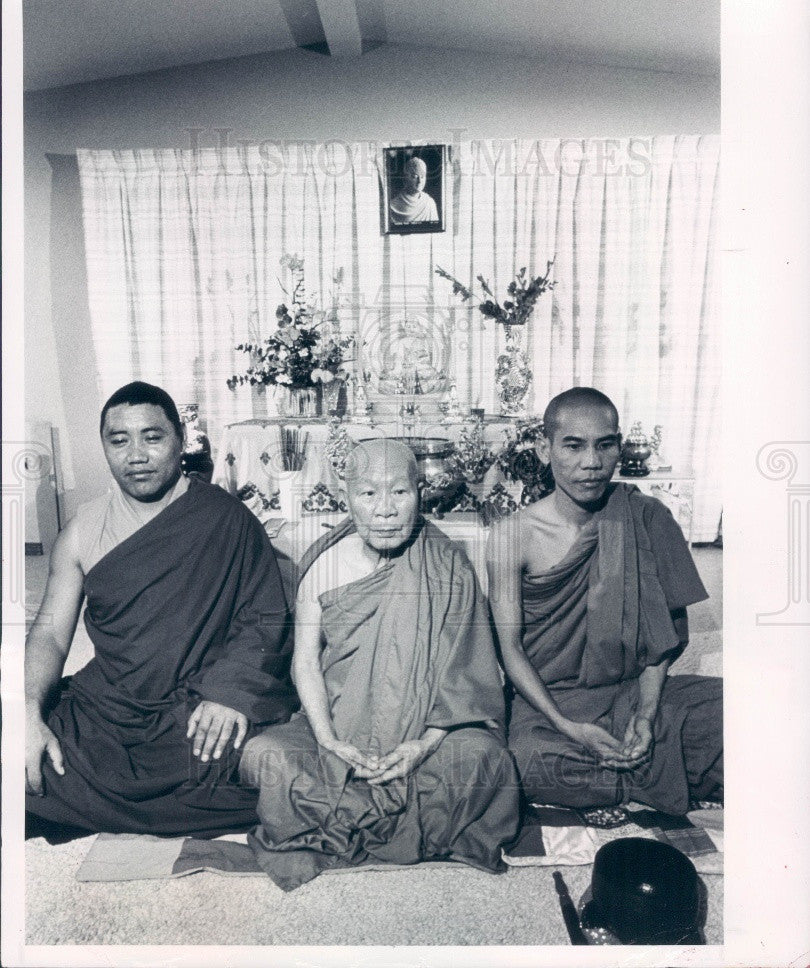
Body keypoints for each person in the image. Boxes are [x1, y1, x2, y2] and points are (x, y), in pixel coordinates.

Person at [240, 438, 518, 890]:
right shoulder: (326, 566)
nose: (385, 510)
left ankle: (348, 813)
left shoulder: (448, 565)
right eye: (369, 494)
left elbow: (469, 679)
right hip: (337, 730)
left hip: (430, 735)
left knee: (487, 761)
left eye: (399, 492)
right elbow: (305, 663)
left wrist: (422, 746)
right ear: (347, 497)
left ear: (420, 493)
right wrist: (328, 740)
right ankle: (396, 814)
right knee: (264, 755)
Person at [25, 381, 297, 841]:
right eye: (119, 440)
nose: (136, 455)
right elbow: (50, 635)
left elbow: (265, 621)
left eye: (152, 437)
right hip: (108, 708)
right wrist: (28, 714)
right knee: (23, 754)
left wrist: (229, 695)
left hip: (195, 707)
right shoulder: (82, 529)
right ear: (104, 447)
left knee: (266, 770)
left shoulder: (226, 519)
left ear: (180, 441)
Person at [487, 387, 723, 816]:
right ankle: (670, 774)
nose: (592, 463)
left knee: (742, 713)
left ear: (619, 446)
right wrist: (569, 728)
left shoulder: (646, 516)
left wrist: (647, 715)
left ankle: (633, 774)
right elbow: (510, 649)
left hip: (632, 693)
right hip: (550, 704)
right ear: (545, 449)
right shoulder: (512, 536)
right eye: (573, 446)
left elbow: (662, 638)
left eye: (605, 445)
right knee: (526, 764)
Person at [389, 156, 439, 225]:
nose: (420, 181)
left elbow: (435, 230)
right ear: (405, 178)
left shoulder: (429, 203)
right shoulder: (393, 206)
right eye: (415, 176)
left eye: (422, 176)